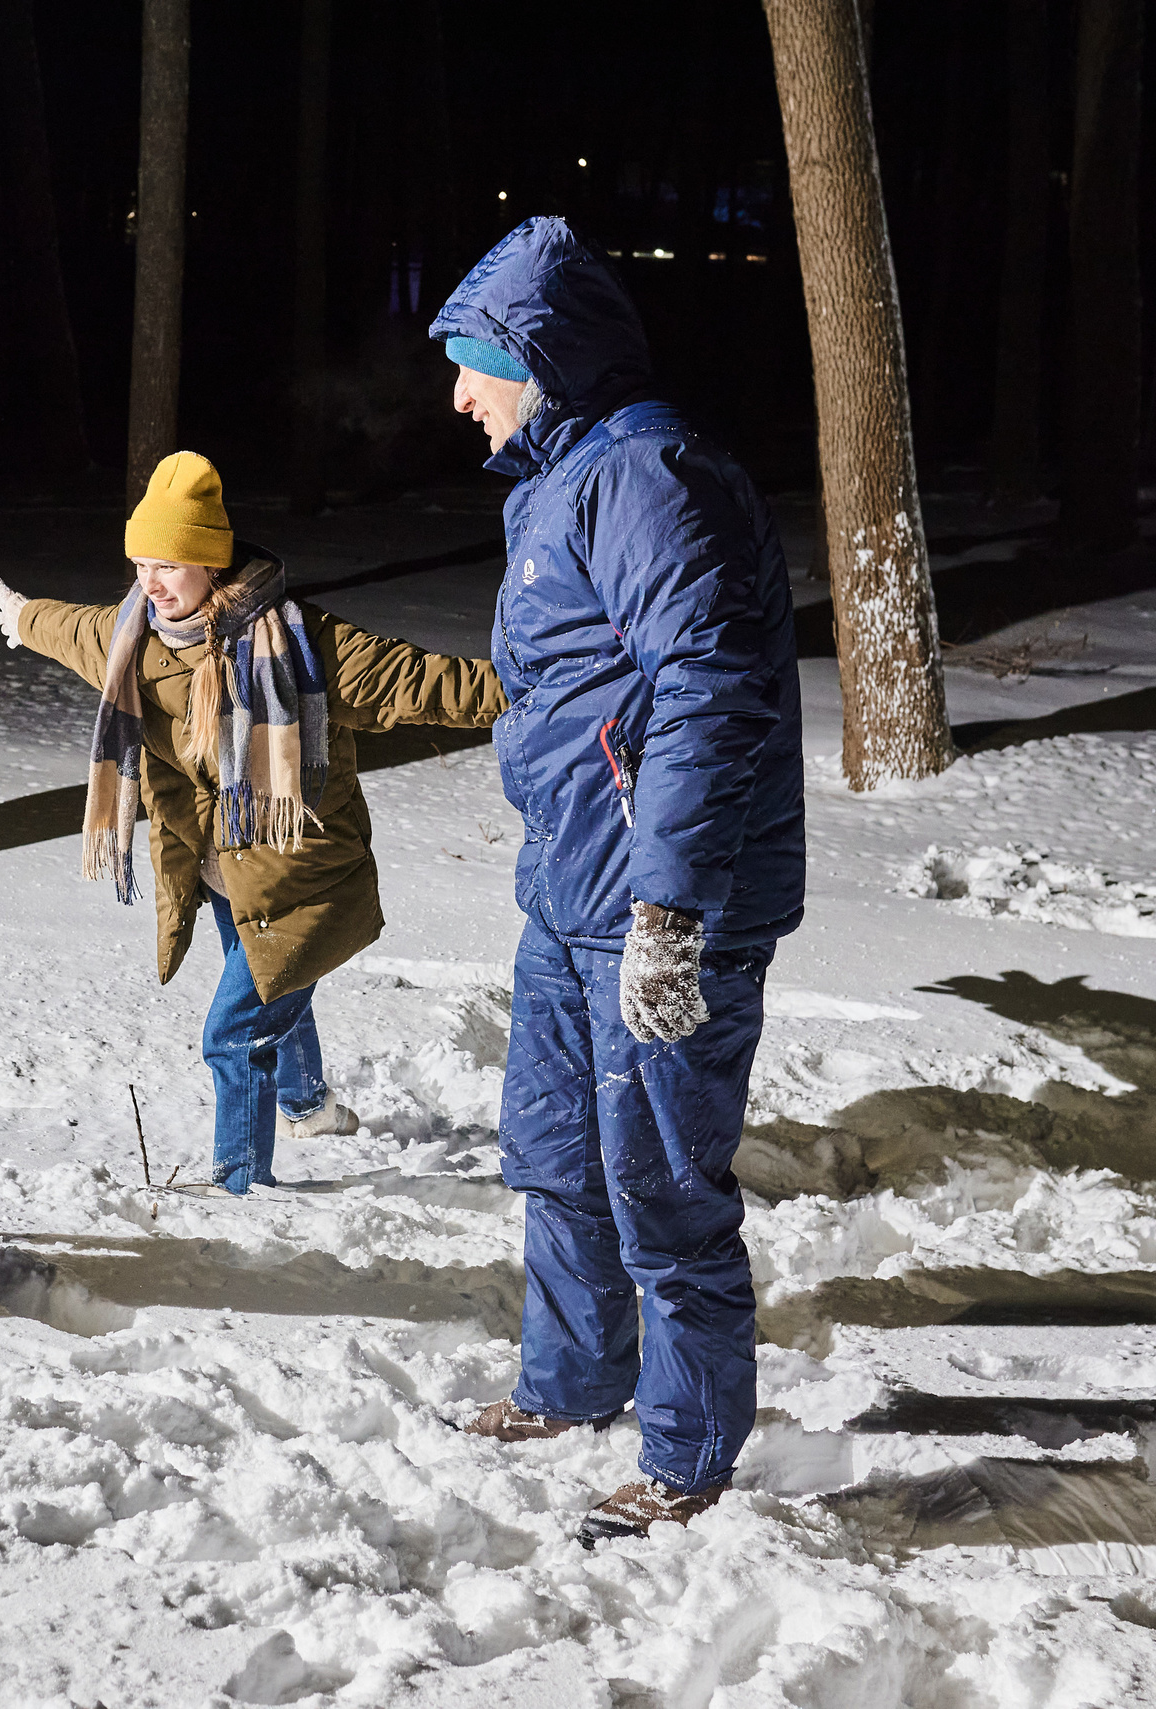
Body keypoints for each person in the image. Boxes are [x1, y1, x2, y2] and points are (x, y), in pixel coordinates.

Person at [430, 218, 805, 1541]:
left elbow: (710, 694)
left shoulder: (645, 475)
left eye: (478, 363)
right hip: (572, 893)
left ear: (544, 360)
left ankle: (690, 1451)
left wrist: (670, 908)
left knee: (658, 1181)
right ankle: (571, 1377)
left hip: (657, 908)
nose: (459, 393)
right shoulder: (567, 476)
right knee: (556, 1153)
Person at [0, 451, 504, 1195]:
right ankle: (308, 1105)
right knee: (272, 992)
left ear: (210, 560)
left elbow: (420, 681)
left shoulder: (300, 643)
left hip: (304, 873)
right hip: (225, 872)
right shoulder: (132, 637)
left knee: (234, 1032)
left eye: (169, 563)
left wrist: (531, 688)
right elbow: (75, 629)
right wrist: (25, 617)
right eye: (140, 562)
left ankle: (239, 1188)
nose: (152, 583)